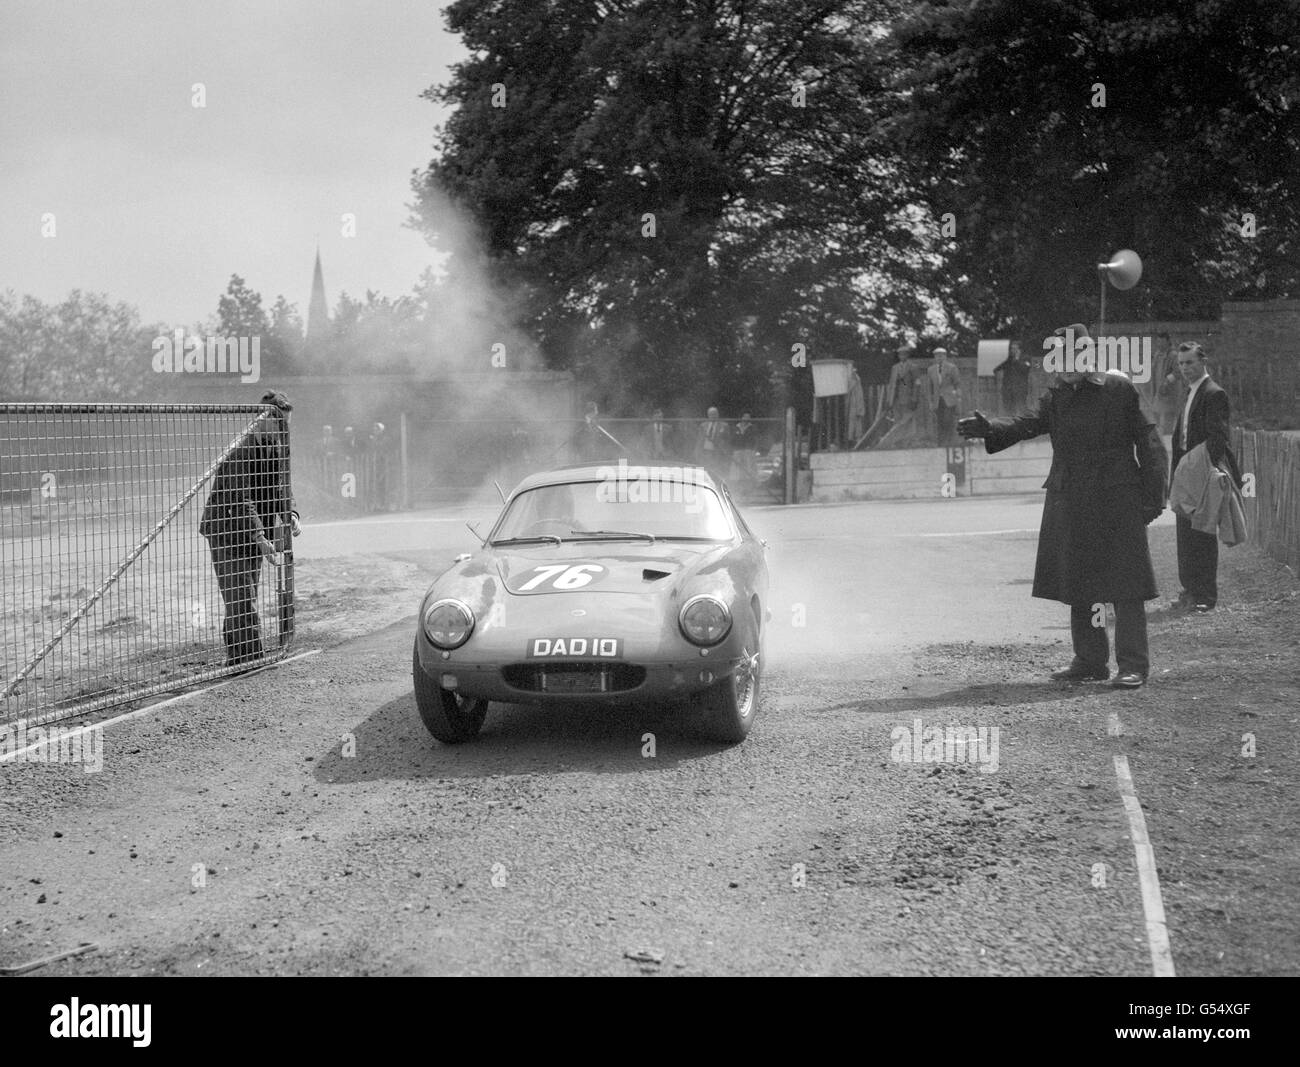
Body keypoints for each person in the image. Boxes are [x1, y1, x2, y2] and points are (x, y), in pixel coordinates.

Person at [958, 324, 1168, 688]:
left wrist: (1153, 497)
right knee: (1081, 580)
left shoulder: (1119, 389)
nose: (1068, 365)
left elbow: (1149, 442)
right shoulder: (1057, 397)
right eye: (1062, 359)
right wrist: (991, 427)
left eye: (1076, 357)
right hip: (1071, 497)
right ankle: (1089, 661)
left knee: (1125, 584)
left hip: (1117, 498)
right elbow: (1028, 423)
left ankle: (1133, 664)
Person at [199, 390, 301, 667]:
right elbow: (241, 497)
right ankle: (250, 662)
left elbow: (281, 485)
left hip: (250, 533)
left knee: (245, 597)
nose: (284, 429)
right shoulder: (240, 450)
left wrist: (289, 512)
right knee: (241, 599)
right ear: (262, 419)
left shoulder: (275, 446)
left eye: (286, 423)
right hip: (227, 532)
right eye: (279, 422)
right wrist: (259, 534)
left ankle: (241, 660)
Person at [1169, 342, 1240, 613]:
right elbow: (1181, 435)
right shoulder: (1189, 392)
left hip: (1202, 472)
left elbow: (1218, 438)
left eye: (1190, 363)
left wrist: (1203, 471)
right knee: (1185, 534)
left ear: (1203, 362)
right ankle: (1189, 590)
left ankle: (1205, 596)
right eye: (1182, 363)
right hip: (1185, 474)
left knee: (1202, 534)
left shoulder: (1214, 393)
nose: (1186, 368)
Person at [927, 346, 961, 443]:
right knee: (939, 421)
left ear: (945, 356)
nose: (939, 358)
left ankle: (949, 440)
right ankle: (941, 443)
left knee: (948, 420)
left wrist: (958, 398)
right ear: (935, 357)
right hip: (938, 400)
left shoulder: (952, 368)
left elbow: (957, 383)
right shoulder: (931, 370)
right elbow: (929, 387)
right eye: (937, 356)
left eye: (941, 356)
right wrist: (930, 401)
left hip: (950, 399)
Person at [1151, 333, 1180, 435]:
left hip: (1168, 392)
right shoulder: (1157, 354)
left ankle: (1168, 438)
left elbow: (1178, 372)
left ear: (1168, 341)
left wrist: (1167, 381)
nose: (1159, 344)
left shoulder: (1173, 355)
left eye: (1162, 341)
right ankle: (1158, 436)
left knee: (1168, 415)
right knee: (1155, 414)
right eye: (1158, 341)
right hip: (1157, 391)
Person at [994, 342, 1031, 415]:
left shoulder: (1026, 358)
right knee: (1008, 410)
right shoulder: (1009, 360)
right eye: (1011, 348)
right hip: (1008, 390)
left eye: (1015, 348)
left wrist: (1017, 359)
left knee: (1021, 409)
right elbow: (997, 368)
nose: (1012, 350)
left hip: (1020, 390)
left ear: (1019, 350)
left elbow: (1025, 369)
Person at [698, 406, 729, 477]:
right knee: (706, 470)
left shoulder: (724, 425)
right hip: (705, 451)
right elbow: (699, 439)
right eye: (711, 414)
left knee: (717, 470)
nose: (713, 416)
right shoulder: (703, 425)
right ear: (708, 415)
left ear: (718, 414)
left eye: (714, 414)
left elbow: (727, 440)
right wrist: (697, 451)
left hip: (718, 452)